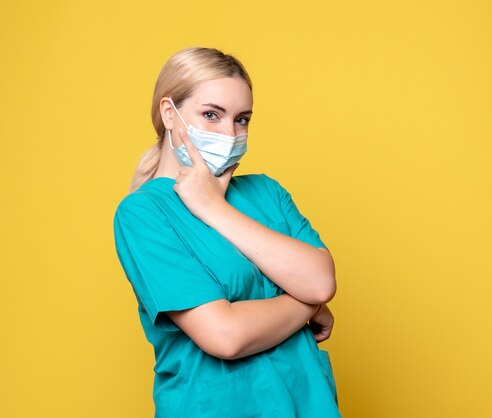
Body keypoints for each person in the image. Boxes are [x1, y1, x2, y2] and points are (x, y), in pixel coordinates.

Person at [113, 47, 340, 417]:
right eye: (211, 115)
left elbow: (321, 281)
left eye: (242, 119)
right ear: (170, 114)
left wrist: (214, 207)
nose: (229, 133)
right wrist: (308, 304)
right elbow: (225, 336)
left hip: (307, 404)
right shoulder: (143, 214)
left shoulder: (267, 192)